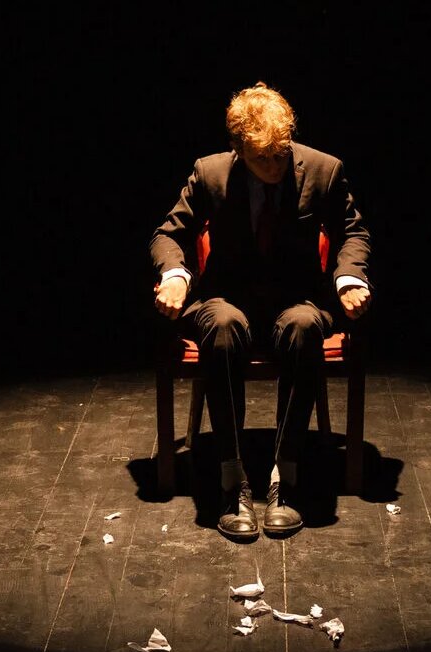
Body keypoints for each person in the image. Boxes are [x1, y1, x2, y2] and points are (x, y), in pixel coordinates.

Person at [150, 81, 374, 540]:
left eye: (280, 155)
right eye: (262, 159)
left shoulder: (324, 169)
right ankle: (232, 480)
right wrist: (174, 275)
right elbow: (168, 234)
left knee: (303, 325)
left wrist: (350, 278)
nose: (275, 166)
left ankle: (284, 478)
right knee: (224, 325)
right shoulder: (211, 172)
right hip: (227, 297)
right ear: (239, 151)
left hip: (297, 298)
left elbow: (353, 232)